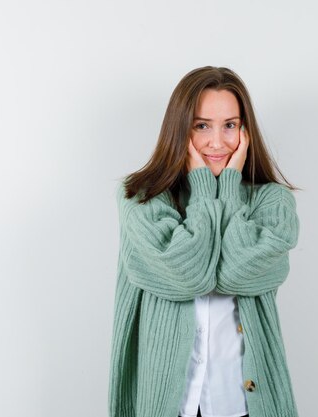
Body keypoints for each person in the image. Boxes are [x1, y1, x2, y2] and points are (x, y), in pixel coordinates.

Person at [108, 66, 301, 417]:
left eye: (229, 125)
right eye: (201, 126)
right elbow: (189, 274)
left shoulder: (272, 202)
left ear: (245, 131)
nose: (217, 141)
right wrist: (201, 186)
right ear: (179, 130)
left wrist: (226, 186)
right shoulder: (141, 199)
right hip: (169, 404)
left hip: (243, 404)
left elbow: (236, 273)